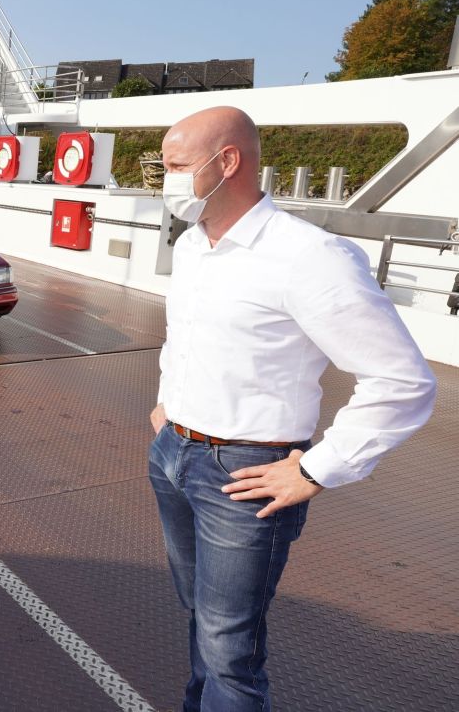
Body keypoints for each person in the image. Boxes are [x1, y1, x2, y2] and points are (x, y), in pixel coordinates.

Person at [149, 106, 436, 711]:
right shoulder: (197, 246)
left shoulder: (310, 257)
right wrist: (165, 407)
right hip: (173, 454)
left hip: (245, 474)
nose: (165, 180)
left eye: (175, 166)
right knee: (199, 616)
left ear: (227, 163)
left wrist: (314, 469)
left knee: (230, 652)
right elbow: (185, 338)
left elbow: (402, 380)